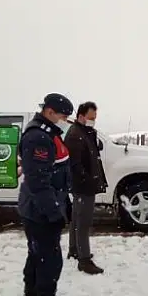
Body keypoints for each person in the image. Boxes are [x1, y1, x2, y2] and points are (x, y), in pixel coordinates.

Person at [18, 93, 77, 296]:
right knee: (49, 258)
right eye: (63, 115)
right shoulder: (38, 138)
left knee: (37, 252)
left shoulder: (47, 132)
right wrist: (53, 212)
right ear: (50, 112)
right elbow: (38, 181)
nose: (65, 119)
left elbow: (57, 174)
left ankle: (31, 294)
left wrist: (65, 202)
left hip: (41, 205)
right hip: (39, 210)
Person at [64, 101, 108, 275]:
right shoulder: (75, 135)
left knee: (77, 217)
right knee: (83, 222)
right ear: (81, 116)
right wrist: (88, 181)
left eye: (95, 118)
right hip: (83, 186)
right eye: (91, 118)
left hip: (84, 184)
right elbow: (74, 164)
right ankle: (84, 260)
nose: (93, 121)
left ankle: (74, 249)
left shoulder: (85, 132)